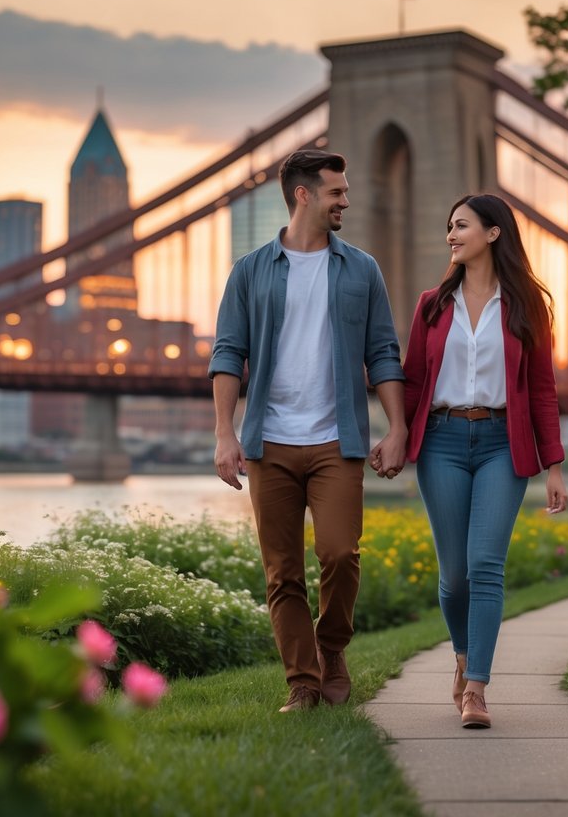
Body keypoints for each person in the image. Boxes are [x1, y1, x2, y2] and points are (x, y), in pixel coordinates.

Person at [209, 149, 408, 713]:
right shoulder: (249, 271)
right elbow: (229, 353)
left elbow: (383, 353)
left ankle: (332, 648)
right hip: (268, 442)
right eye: (336, 192)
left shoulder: (362, 269)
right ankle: (302, 681)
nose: (346, 200)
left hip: (335, 440)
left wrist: (396, 428)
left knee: (342, 554)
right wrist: (226, 435)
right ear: (303, 194)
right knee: (282, 573)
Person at [397, 193, 567, 729]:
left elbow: (542, 390)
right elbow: (413, 381)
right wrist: (396, 437)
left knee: (486, 567)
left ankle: (477, 689)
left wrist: (554, 466)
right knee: (453, 579)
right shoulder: (431, 305)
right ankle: (464, 656)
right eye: (449, 226)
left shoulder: (526, 307)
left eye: (462, 225)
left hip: (501, 444)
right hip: (442, 442)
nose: (451, 234)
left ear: (494, 233)